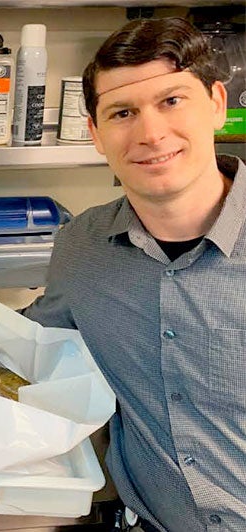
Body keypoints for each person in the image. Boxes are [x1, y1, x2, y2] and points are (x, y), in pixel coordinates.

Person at [21, 17, 246, 532]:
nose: (151, 133)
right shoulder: (83, 246)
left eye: (172, 101)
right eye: (123, 112)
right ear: (96, 134)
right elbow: (30, 340)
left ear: (216, 103)